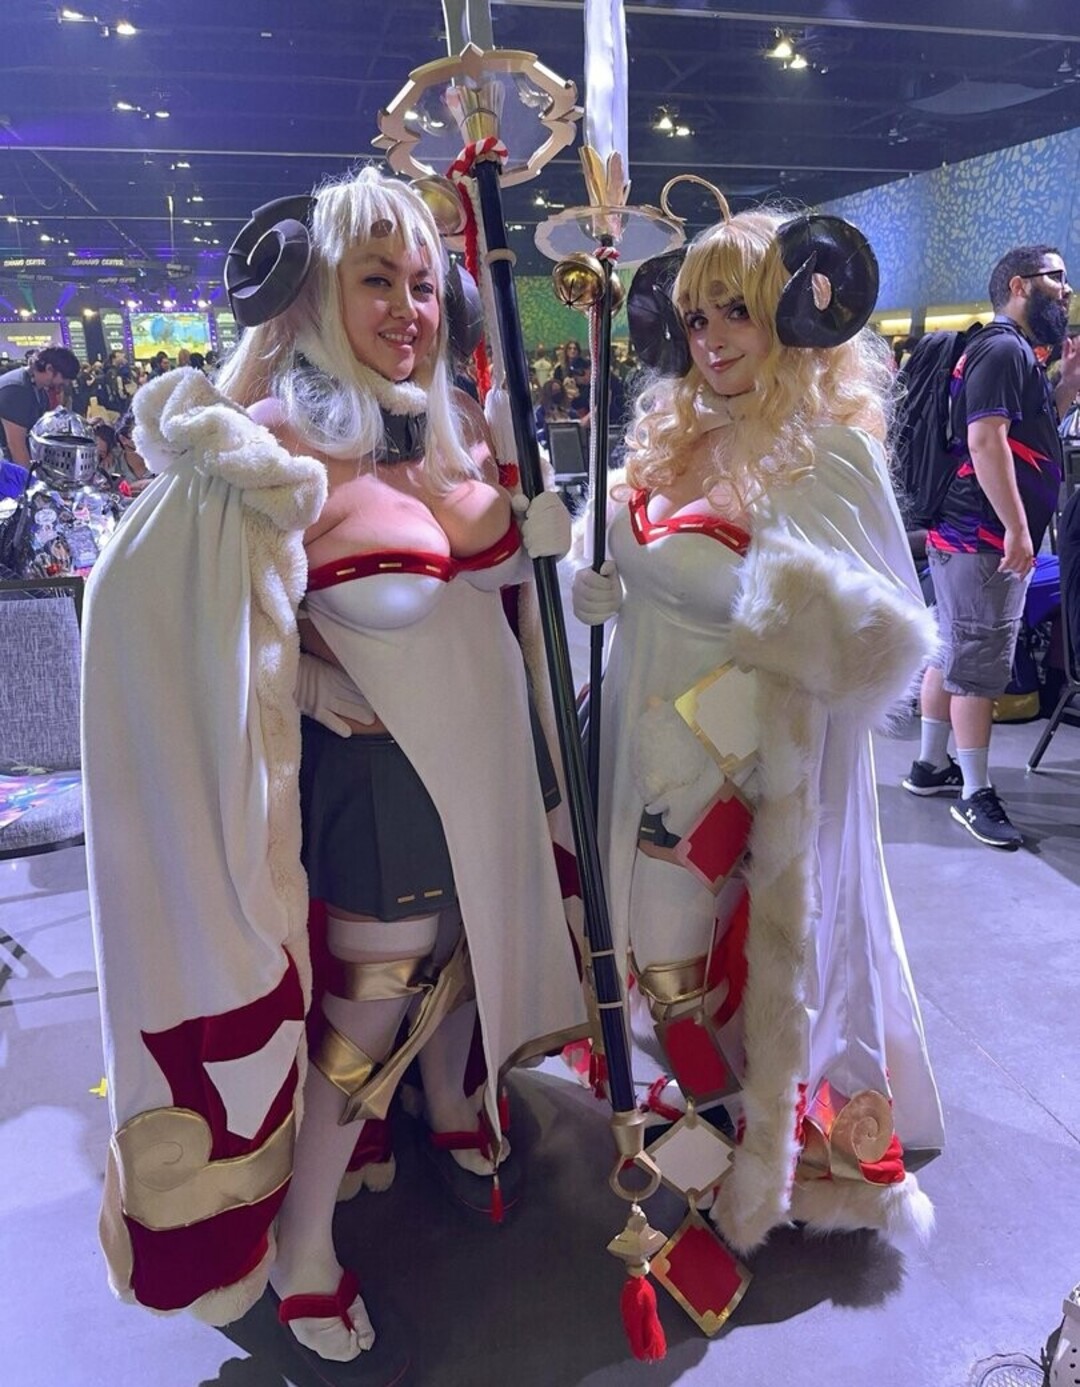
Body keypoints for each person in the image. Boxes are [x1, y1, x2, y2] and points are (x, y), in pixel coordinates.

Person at [82, 166, 585, 1381]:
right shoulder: (263, 444)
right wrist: (311, 690)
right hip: (375, 788)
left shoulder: (441, 430)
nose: (408, 309)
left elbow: (495, 588)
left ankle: (453, 1106)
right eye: (375, 281)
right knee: (365, 1012)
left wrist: (550, 537)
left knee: (462, 966)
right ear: (314, 294)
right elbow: (157, 613)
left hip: (487, 780)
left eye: (423, 283)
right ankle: (302, 1244)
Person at [571, 205, 944, 1258]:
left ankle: (736, 1158)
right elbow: (639, 566)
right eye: (696, 317)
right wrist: (589, 576)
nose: (713, 339)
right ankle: (717, 1148)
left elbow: (889, 640)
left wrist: (785, 614)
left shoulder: (829, 456)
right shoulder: (676, 437)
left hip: (744, 776)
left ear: (790, 314)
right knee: (658, 966)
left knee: (681, 975)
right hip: (642, 751)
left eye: (737, 310)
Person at [904, 245, 1078, 848]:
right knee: (977, 667)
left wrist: (1067, 385)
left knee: (953, 647)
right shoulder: (1003, 349)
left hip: (969, 531)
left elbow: (1028, 434)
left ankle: (931, 765)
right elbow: (985, 441)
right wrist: (1017, 528)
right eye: (1056, 278)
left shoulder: (1009, 350)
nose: (1066, 289)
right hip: (982, 535)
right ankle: (975, 793)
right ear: (1019, 285)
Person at [0, 346, 80, 464]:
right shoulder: (16, 389)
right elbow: (17, 447)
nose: (66, 383)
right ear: (49, 369)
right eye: (64, 378)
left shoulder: (38, 390)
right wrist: (29, 476)